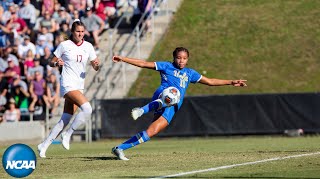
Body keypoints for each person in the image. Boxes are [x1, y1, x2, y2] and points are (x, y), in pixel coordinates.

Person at [111, 47, 247, 160]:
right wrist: (123, 58)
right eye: (178, 57)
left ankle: (119, 149)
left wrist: (231, 82)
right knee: (171, 94)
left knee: (151, 132)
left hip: (173, 107)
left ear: (187, 60)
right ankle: (141, 110)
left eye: (184, 58)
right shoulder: (166, 66)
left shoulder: (190, 73)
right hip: (161, 94)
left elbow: (210, 81)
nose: (181, 60)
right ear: (174, 58)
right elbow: (144, 64)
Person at [37, 19, 100, 158]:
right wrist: (56, 63)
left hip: (79, 86)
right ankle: (68, 134)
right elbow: (50, 61)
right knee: (87, 109)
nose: (80, 34)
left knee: (65, 119)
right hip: (67, 83)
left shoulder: (88, 46)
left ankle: (44, 146)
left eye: (82, 31)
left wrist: (96, 65)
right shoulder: (64, 45)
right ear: (72, 32)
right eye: (78, 31)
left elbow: (95, 66)